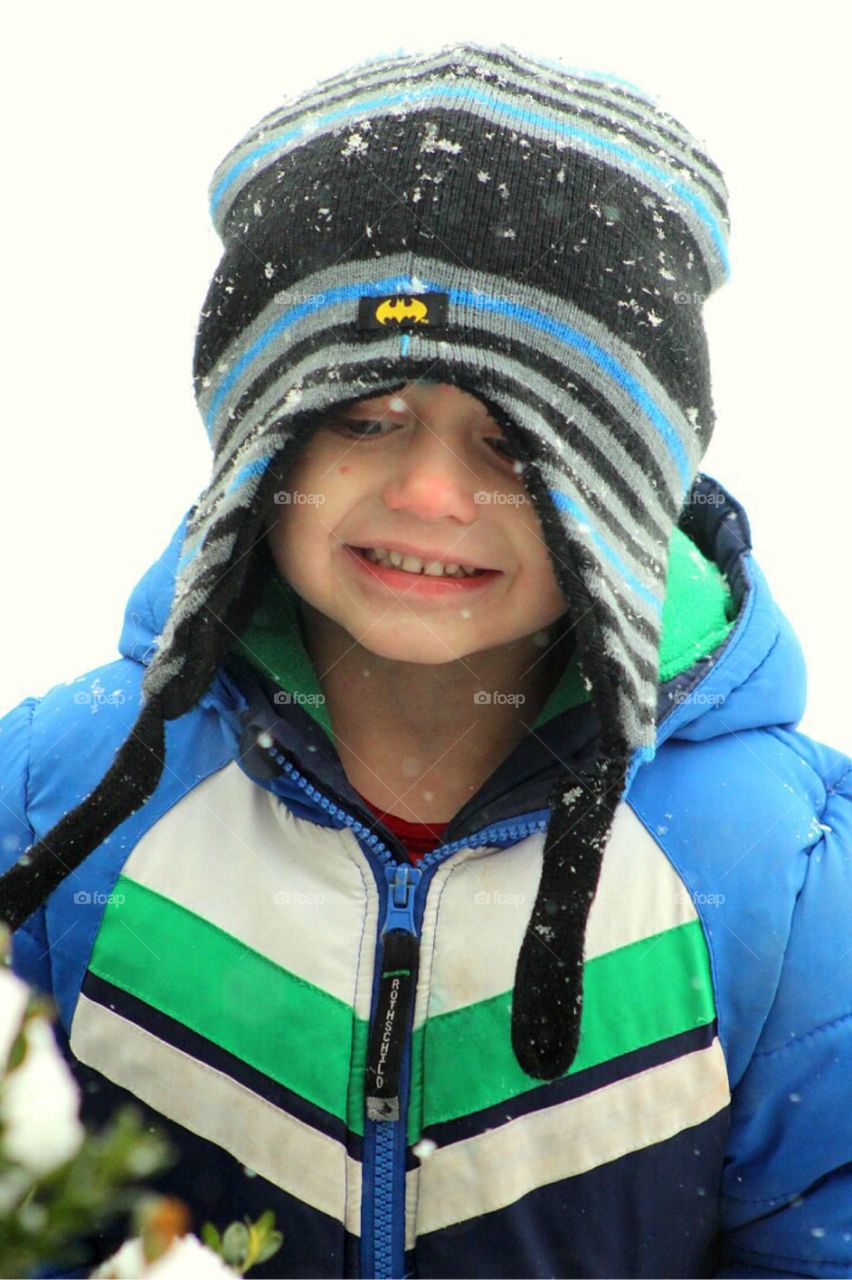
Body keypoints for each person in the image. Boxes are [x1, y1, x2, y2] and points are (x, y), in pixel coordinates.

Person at [1, 38, 850, 1280]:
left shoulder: (777, 866)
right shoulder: (63, 793)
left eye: (514, 444)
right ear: (262, 446)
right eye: (365, 416)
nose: (432, 491)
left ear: (622, 494)